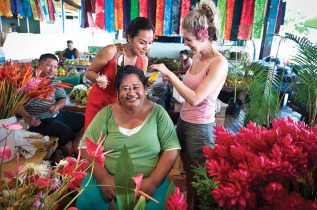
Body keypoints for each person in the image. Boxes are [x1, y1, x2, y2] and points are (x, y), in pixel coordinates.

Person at [149, 1, 228, 209]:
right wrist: (172, 79)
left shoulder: (219, 63)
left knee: (202, 184)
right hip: (184, 122)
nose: (186, 43)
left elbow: (195, 98)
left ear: (203, 36)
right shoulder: (197, 55)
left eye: (188, 39)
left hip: (201, 128)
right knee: (189, 176)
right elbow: (189, 86)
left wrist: (169, 74)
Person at [76, 65, 180, 209]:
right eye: (125, 88)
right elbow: (85, 147)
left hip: (149, 183)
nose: (131, 93)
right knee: (87, 203)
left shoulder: (158, 113)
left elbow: (172, 149)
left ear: (144, 88)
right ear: (118, 91)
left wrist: (153, 181)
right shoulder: (106, 114)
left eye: (136, 87)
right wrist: (103, 178)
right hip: (108, 182)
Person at [84, 17, 154, 130]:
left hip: (124, 109)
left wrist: (146, 83)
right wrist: (98, 78)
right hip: (100, 105)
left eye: (150, 43)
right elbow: (89, 73)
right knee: (95, 141)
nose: (146, 48)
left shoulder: (143, 60)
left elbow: (138, 87)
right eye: (142, 43)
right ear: (130, 38)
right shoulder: (111, 51)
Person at [17, 53, 85, 158]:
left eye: (55, 67)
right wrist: (28, 117)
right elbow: (15, 104)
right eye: (49, 66)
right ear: (39, 65)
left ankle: (73, 147)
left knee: (84, 119)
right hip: (37, 120)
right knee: (64, 131)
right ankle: (69, 159)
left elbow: (62, 98)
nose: (52, 69)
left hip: (55, 114)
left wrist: (56, 107)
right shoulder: (27, 81)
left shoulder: (55, 81)